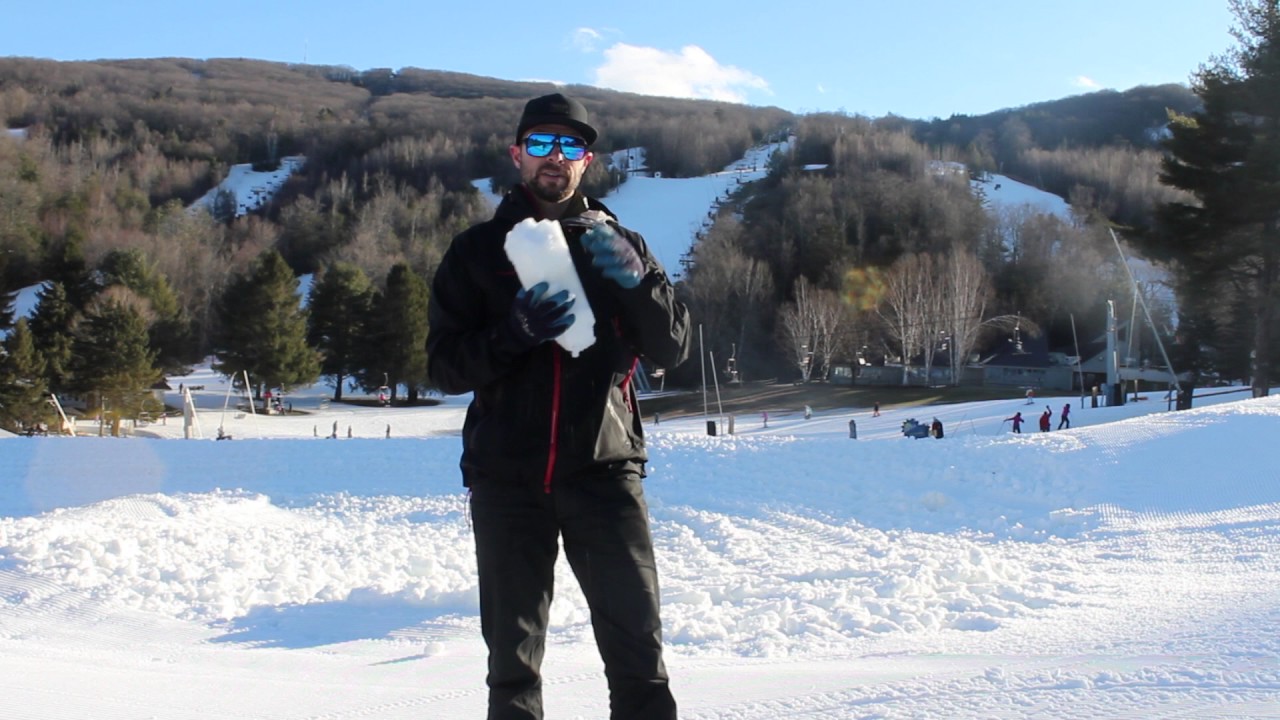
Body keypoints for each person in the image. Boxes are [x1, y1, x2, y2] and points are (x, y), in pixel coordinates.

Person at [426, 93, 689, 720]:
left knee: (638, 655)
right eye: (541, 144)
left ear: (588, 160)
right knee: (512, 667)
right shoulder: (476, 251)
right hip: (507, 481)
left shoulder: (621, 243)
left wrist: (639, 282)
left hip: (605, 471)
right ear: (518, 156)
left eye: (569, 146)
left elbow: (672, 348)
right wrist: (511, 332)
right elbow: (443, 367)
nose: (555, 157)